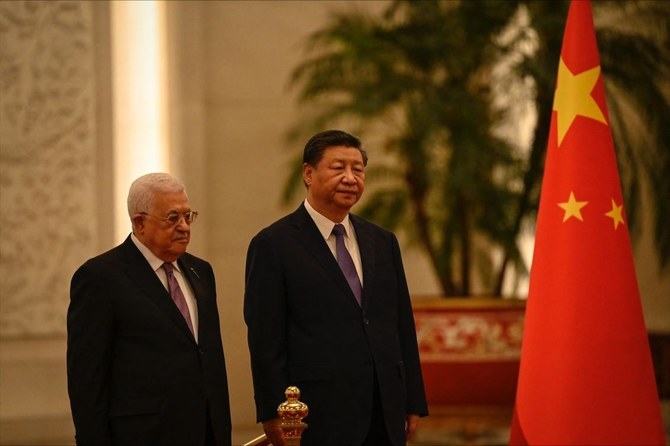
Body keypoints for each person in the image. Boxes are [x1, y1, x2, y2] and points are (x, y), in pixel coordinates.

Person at [244, 130, 428, 446]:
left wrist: (413, 402)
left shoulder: (382, 241)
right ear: (308, 173)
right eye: (338, 167)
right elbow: (265, 338)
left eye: (357, 169)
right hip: (315, 413)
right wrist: (273, 411)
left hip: (384, 408)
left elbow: (400, 325)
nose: (350, 178)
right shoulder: (274, 245)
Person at [67, 173, 232, 446]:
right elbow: (87, 379)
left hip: (205, 432)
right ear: (139, 222)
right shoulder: (100, 278)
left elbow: (209, 358)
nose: (184, 227)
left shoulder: (201, 271)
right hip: (142, 434)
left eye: (188, 216)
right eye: (172, 218)